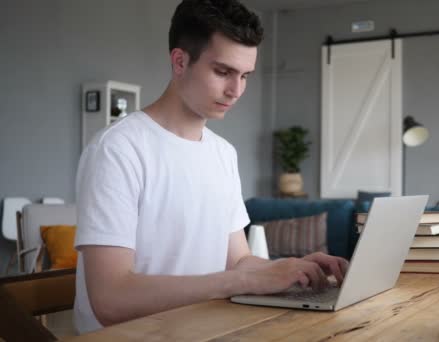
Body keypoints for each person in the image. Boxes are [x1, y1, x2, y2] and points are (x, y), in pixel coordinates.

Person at [73, 0, 349, 334]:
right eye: (223, 72)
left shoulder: (222, 153)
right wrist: (234, 281)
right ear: (180, 61)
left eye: (245, 75)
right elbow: (111, 300)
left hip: (205, 331)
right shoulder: (117, 150)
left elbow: (238, 262)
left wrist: (292, 268)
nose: (236, 91)